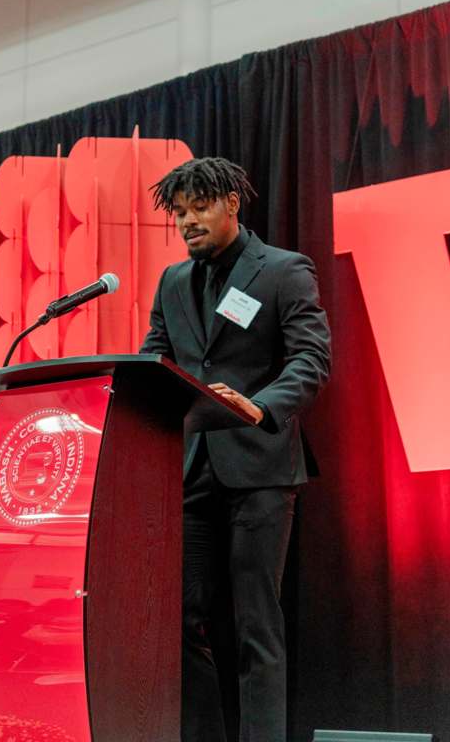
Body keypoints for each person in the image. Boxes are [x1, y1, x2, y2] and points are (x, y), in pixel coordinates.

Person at [140, 157, 331, 742]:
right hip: (192, 470)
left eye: (199, 207)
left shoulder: (282, 270)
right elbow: (154, 362)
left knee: (256, 626)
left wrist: (261, 404)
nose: (188, 221)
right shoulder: (173, 281)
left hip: (260, 470)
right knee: (179, 620)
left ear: (231, 203)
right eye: (179, 212)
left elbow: (312, 358)